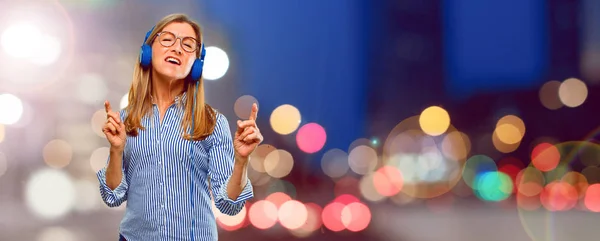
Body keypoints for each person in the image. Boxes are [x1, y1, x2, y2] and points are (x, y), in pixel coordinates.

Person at [97, 13, 262, 241]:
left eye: (188, 45)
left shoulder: (211, 122)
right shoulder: (126, 120)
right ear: (147, 51)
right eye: (167, 39)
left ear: (196, 63)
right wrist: (116, 150)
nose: (177, 48)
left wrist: (242, 161)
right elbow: (113, 196)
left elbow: (229, 205)